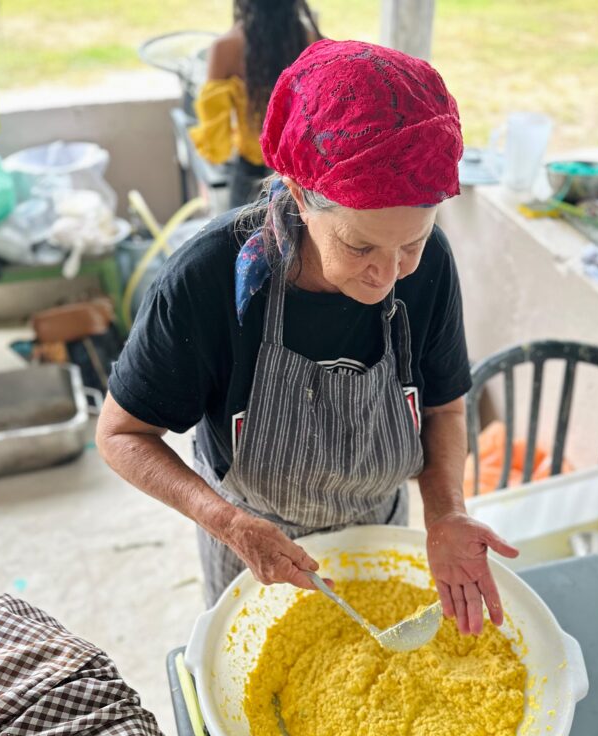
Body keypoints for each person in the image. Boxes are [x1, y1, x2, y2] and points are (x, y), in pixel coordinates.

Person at [97, 39, 518, 636]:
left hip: (380, 526)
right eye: (359, 245)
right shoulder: (208, 278)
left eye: (412, 243)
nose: (387, 272)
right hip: (251, 543)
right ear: (298, 194)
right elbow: (120, 434)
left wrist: (445, 513)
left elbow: (446, 406)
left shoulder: (430, 269)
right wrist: (227, 523)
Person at [189, 0, 321, 208]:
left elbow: (216, 143)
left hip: (250, 174)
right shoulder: (310, 39)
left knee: (241, 239)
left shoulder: (226, 47)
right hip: (303, 175)